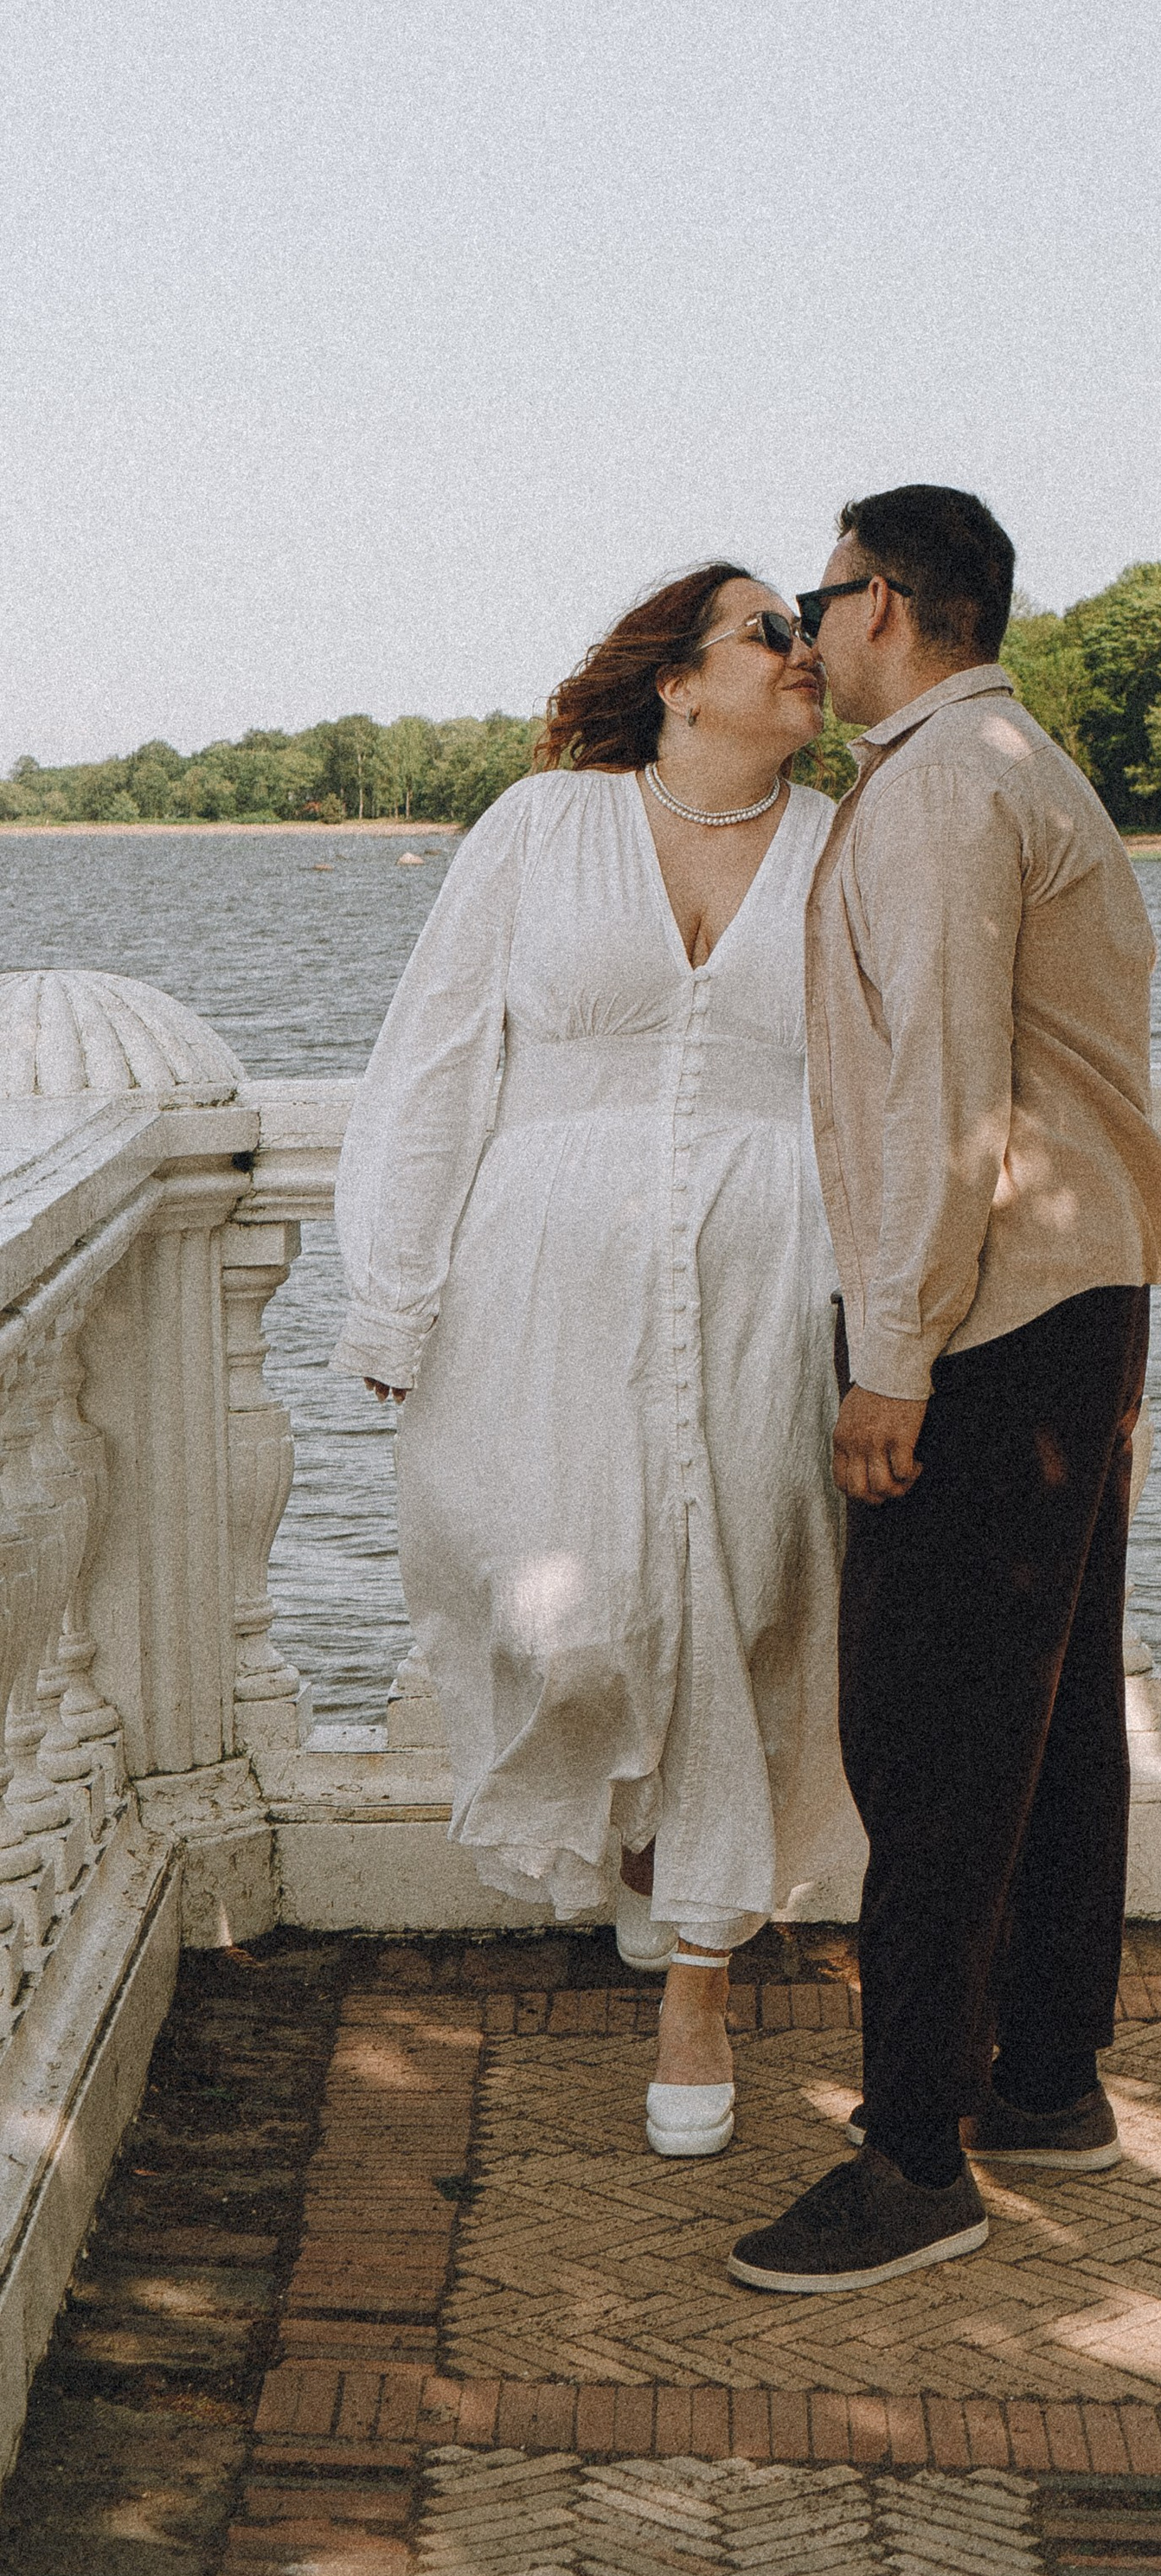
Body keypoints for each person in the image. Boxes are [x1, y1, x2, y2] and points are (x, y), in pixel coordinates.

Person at [726, 485, 1161, 2297]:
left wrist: (890, 1358)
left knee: (923, 1737)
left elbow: (939, 1098)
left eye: (817, 598)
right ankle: (1044, 2077)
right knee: (1050, 1713)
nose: (803, 631)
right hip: (1068, 1301)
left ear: (892, 605)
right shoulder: (1009, 762)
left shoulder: (935, 790)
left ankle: (914, 2155)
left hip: (994, 1317)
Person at [332, 563, 856, 2162]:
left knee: (751, 1600)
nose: (805, 651)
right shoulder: (539, 828)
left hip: (771, 1278)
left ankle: (702, 1974)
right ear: (677, 681)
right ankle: (646, 1854)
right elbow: (431, 1060)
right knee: (565, 1611)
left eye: (813, 629)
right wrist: (393, 1296)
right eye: (771, 629)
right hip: (538, 1292)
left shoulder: (845, 850)